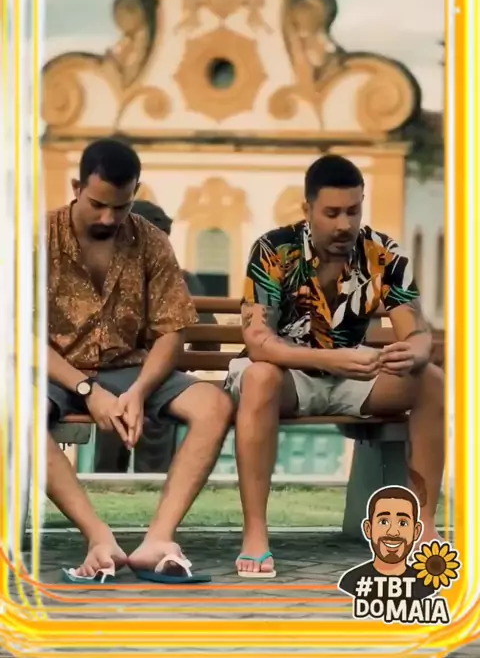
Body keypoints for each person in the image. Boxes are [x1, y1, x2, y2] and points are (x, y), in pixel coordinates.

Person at [225, 154, 444, 577]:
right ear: (308, 209)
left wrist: (415, 352)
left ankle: (425, 526)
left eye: (353, 211)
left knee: (431, 380)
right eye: (332, 213)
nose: (345, 224)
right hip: (285, 375)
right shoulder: (274, 249)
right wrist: (330, 358)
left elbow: (415, 331)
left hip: (351, 373)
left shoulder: (383, 253)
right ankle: (255, 534)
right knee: (260, 378)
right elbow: (258, 343)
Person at [47, 138, 233, 578]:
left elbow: (172, 331)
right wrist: (87, 389)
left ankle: (158, 540)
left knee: (215, 405)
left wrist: (139, 391)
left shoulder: (150, 240)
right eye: (98, 204)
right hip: (57, 370)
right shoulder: (38, 238)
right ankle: (99, 538)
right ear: (76, 187)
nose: (109, 218)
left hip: (129, 367)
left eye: (121, 206)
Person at [94, 199, 220, 474]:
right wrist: (176, 364)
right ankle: (154, 480)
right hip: (156, 383)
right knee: (156, 402)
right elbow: (210, 341)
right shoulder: (183, 280)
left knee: (119, 399)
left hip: (116, 382)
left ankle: (107, 478)